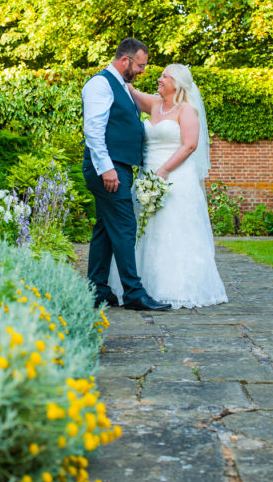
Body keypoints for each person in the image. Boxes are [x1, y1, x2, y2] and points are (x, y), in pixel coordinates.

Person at [110, 64, 227, 309]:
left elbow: (189, 146)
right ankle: (140, 287)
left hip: (174, 178)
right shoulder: (153, 103)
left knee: (173, 232)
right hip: (146, 177)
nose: (159, 79)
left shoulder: (186, 111)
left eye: (165, 76)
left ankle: (177, 288)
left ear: (177, 83)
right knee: (143, 230)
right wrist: (121, 65)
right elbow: (128, 88)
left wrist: (163, 171)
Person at [82, 38, 172, 311]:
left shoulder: (121, 86)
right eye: (141, 65)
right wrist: (107, 168)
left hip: (118, 167)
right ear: (125, 60)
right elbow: (93, 130)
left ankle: (97, 289)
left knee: (105, 229)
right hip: (108, 168)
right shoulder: (100, 84)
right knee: (124, 227)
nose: (143, 71)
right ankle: (133, 293)